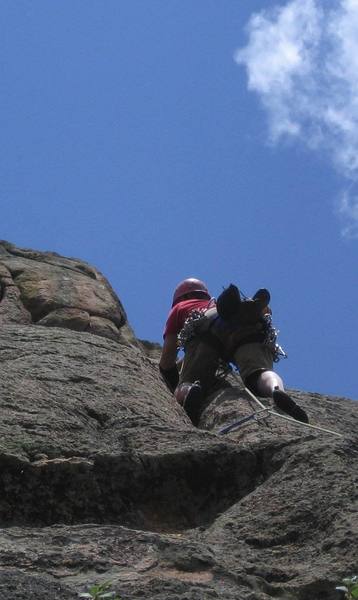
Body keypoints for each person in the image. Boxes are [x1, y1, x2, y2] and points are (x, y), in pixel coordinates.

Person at [160, 278, 308, 426]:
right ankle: (275, 389)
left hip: (206, 329)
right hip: (241, 322)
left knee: (186, 383)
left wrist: (172, 380)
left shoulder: (180, 307)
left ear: (181, 297)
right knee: (258, 372)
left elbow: (167, 359)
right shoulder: (213, 303)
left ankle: (190, 391)